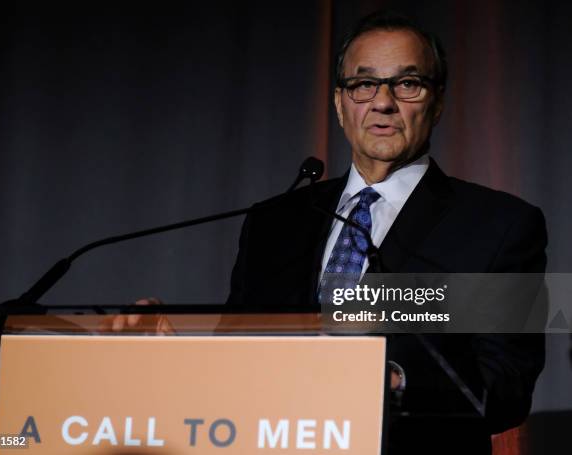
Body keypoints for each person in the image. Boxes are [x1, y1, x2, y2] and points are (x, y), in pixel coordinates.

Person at [226, 11, 546, 455]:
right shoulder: (274, 221)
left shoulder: (501, 225)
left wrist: (396, 379)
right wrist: (170, 348)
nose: (382, 102)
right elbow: (233, 354)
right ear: (340, 103)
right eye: (363, 84)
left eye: (407, 84)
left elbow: (507, 386)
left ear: (437, 102)